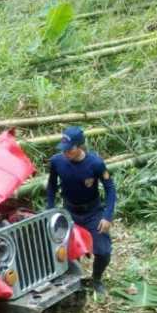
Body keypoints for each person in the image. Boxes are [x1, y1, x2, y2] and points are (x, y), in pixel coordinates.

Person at [46, 126, 116, 294]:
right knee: (65, 249)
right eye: (63, 149)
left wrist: (107, 216)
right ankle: (71, 281)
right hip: (69, 211)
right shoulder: (57, 162)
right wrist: (50, 209)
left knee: (104, 251)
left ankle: (96, 279)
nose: (65, 153)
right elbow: (51, 186)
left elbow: (110, 189)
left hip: (93, 211)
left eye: (69, 150)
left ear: (80, 147)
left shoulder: (96, 164)